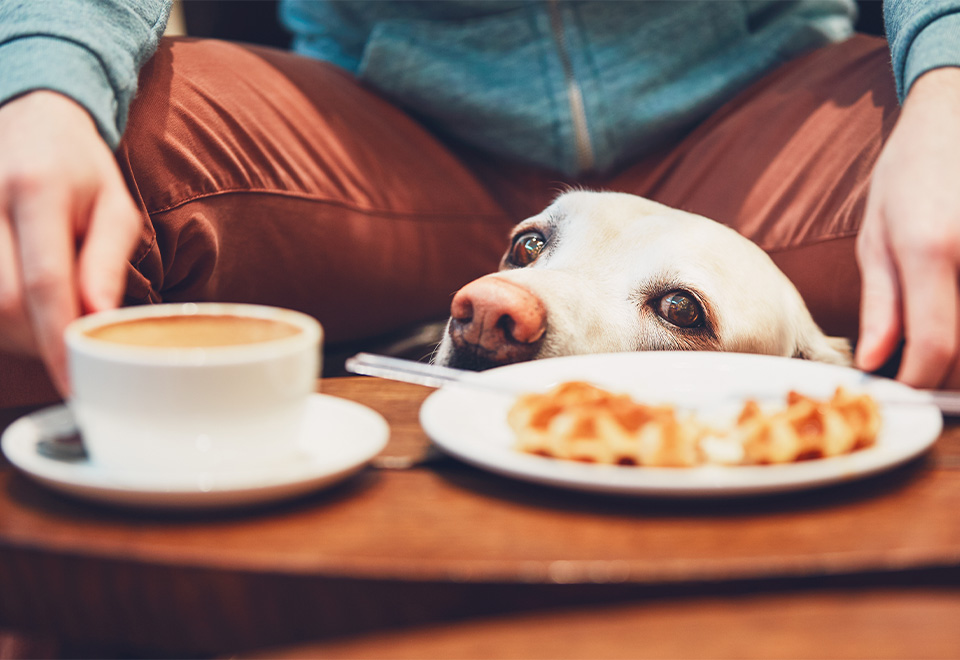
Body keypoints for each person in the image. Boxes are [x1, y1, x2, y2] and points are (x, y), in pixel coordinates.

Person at [0, 0, 958, 411]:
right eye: (527, 254)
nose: (501, 300)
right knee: (70, 179)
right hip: (386, 131)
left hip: (759, 114)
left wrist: (951, 81)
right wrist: (46, 83)